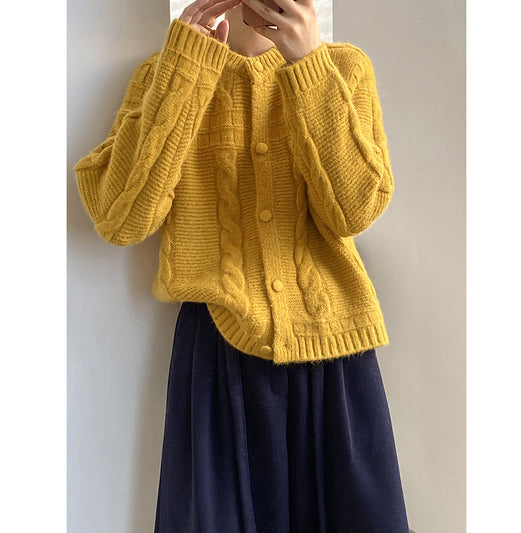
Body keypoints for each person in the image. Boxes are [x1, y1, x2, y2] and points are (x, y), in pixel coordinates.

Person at [73, 0, 410, 530]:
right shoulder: (167, 74)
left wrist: (309, 63)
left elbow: (354, 210)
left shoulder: (343, 67)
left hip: (334, 352)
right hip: (217, 355)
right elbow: (121, 218)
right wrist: (185, 67)